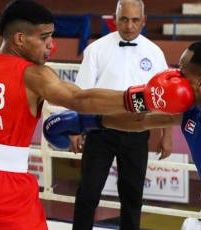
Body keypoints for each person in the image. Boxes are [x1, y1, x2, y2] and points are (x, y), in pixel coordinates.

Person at [0, 0, 194, 229]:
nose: (50, 46)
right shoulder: (34, 75)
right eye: (44, 38)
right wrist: (143, 97)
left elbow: (106, 120)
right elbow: (80, 100)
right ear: (20, 38)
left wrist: (177, 118)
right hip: (5, 190)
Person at [44, 40, 201, 230]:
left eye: (181, 72)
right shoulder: (188, 112)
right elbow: (139, 121)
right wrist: (88, 122)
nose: (173, 75)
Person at [68, 1, 174, 229]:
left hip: (137, 132)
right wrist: (75, 128)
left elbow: (165, 97)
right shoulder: (96, 49)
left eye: (135, 20)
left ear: (144, 21)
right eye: (124, 19)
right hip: (99, 130)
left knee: (132, 196)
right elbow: (81, 92)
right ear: (115, 19)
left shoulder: (155, 52)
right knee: (88, 193)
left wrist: (167, 135)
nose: (129, 25)